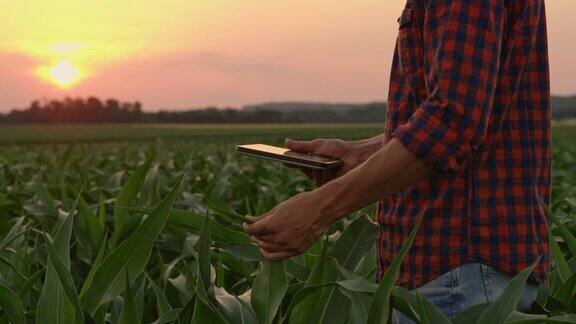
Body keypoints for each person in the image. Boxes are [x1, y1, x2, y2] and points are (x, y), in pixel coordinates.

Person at [244, 0, 550, 320]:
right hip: (462, 274)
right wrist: (360, 153)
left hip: (459, 273)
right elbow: (467, 114)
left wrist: (319, 210)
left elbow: (451, 122)